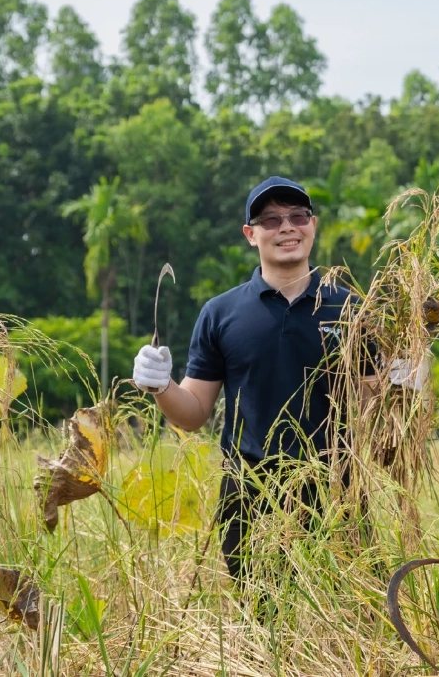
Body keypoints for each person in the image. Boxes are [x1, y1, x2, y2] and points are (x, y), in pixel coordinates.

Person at [130, 176, 397, 580]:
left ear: (313, 225)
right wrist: (161, 386)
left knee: (346, 628)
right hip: (250, 499)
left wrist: (401, 384)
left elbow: (374, 418)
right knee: (263, 627)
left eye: (297, 216)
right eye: (270, 220)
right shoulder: (221, 313)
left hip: (337, 496)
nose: (287, 227)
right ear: (250, 235)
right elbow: (193, 412)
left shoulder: (351, 309)